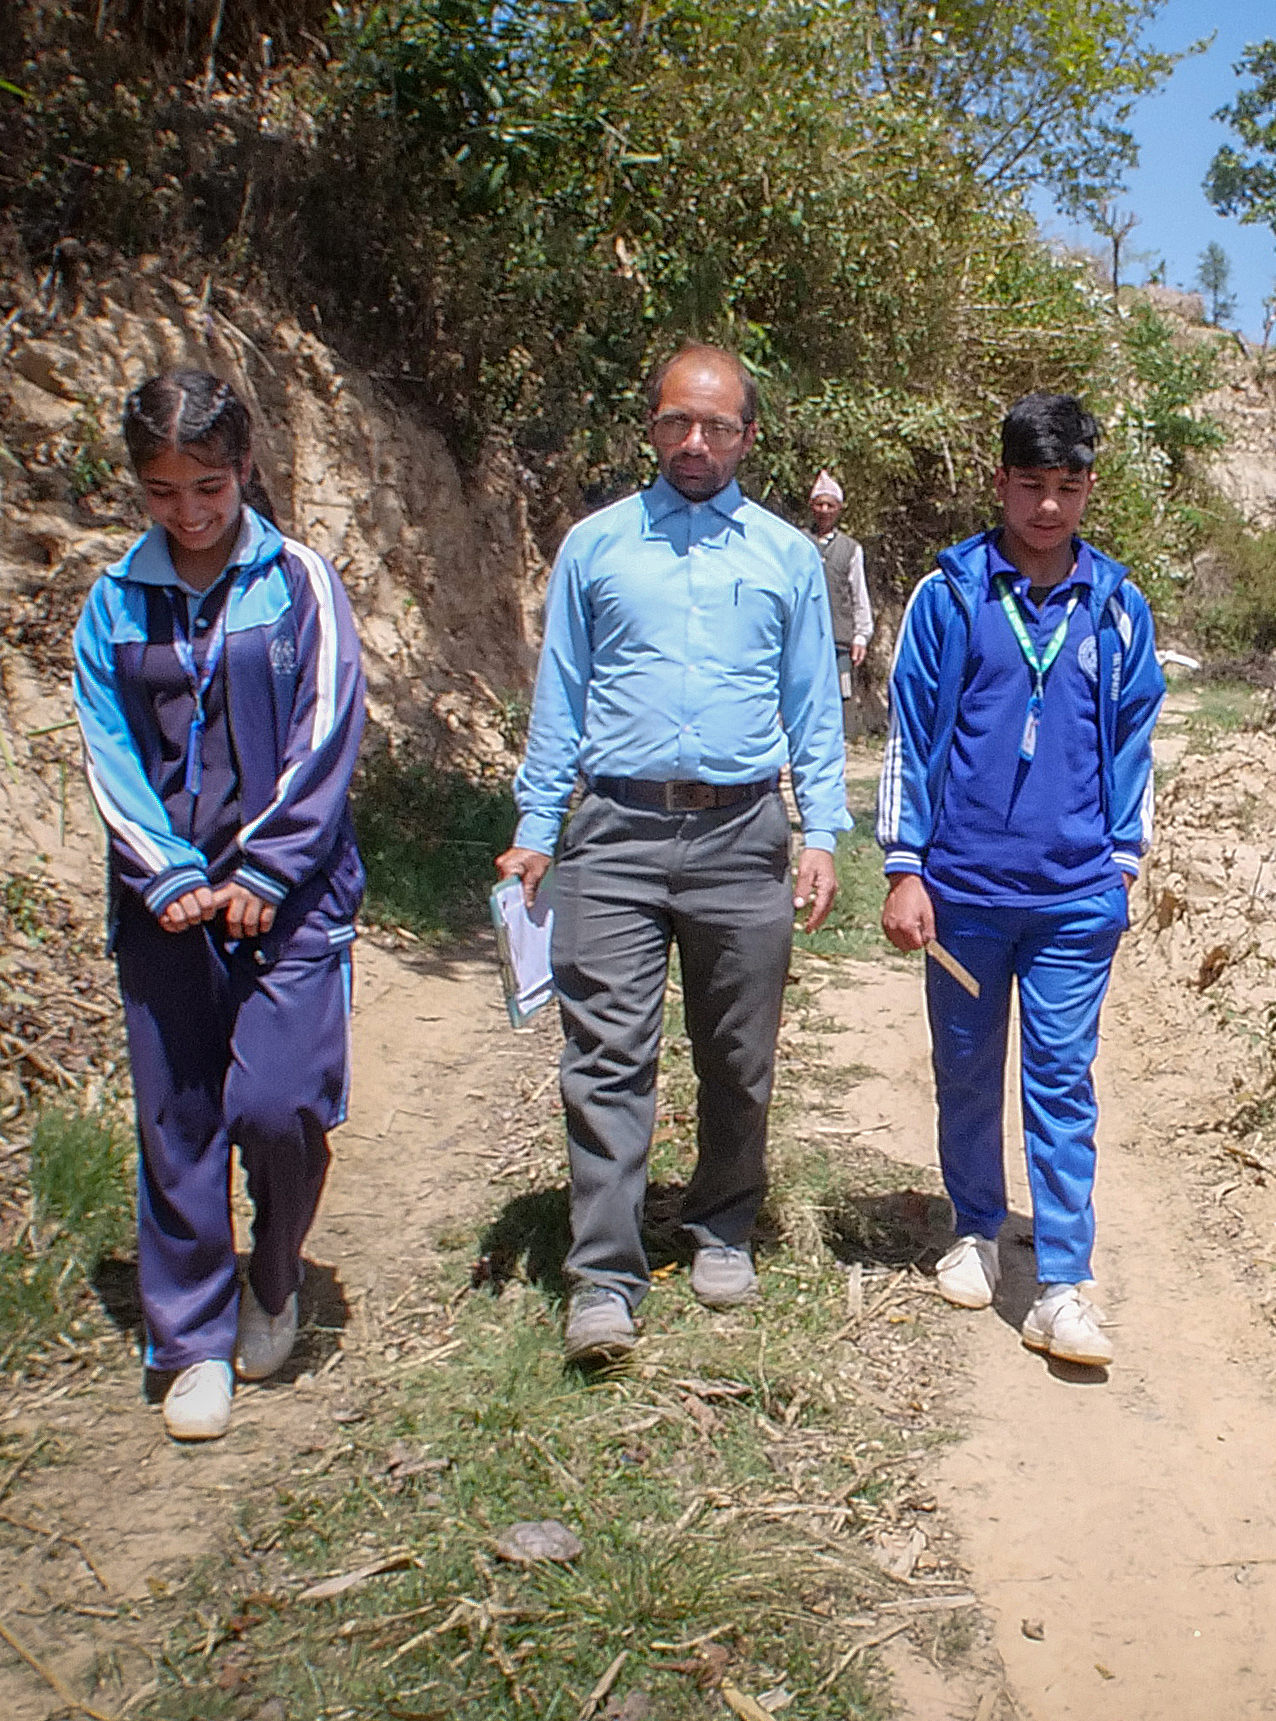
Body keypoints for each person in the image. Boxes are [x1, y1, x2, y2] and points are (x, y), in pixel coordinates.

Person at [496, 345, 848, 1366]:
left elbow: (810, 706)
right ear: (649, 427)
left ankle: (722, 1223)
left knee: (739, 1050)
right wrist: (534, 827)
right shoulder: (596, 547)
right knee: (606, 1055)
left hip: (744, 834)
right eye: (675, 424)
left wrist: (818, 829)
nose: (694, 445)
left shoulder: (786, 556)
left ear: (749, 435)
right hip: (612, 830)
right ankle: (603, 1274)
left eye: (717, 427)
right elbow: (560, 694)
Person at [74, 369, 367, 1443]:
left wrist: (264, 872)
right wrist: (174, 875)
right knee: (179, 1118)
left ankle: (276, 1277)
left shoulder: (299, 584)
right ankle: (190, 1339)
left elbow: (327, 733)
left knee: (279, 1106)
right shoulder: (113, 601)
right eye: (163, 492)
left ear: (244, 469)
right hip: (165, 906)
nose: (190, 513)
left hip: (288, 900)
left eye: (208, 485)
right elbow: (109, 752)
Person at [880, 392, 1164, 1367]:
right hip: (962, 896)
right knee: (966, 1070)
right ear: (999, 482)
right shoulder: (952, 595)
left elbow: (1135, 747)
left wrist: (1124, 863)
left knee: (1060, 1079)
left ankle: (1064, 1287)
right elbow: (909, 741)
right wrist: (904, 868)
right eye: (1032, 485)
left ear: (1090, 488)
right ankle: (975, 1229)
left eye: (1068, 487)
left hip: (1075, 899)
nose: (1049, 506)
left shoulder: (1118, 609)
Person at [808, 471, 876, 724]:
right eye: (819, 503)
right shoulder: (798, 542)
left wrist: (861, 636)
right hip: (804, 638)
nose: (824, 510)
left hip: (839, 641)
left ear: (839, 509)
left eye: (830, 505)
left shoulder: (851, 549)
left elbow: (859, 594)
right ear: (811, 506)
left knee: (838, 700)